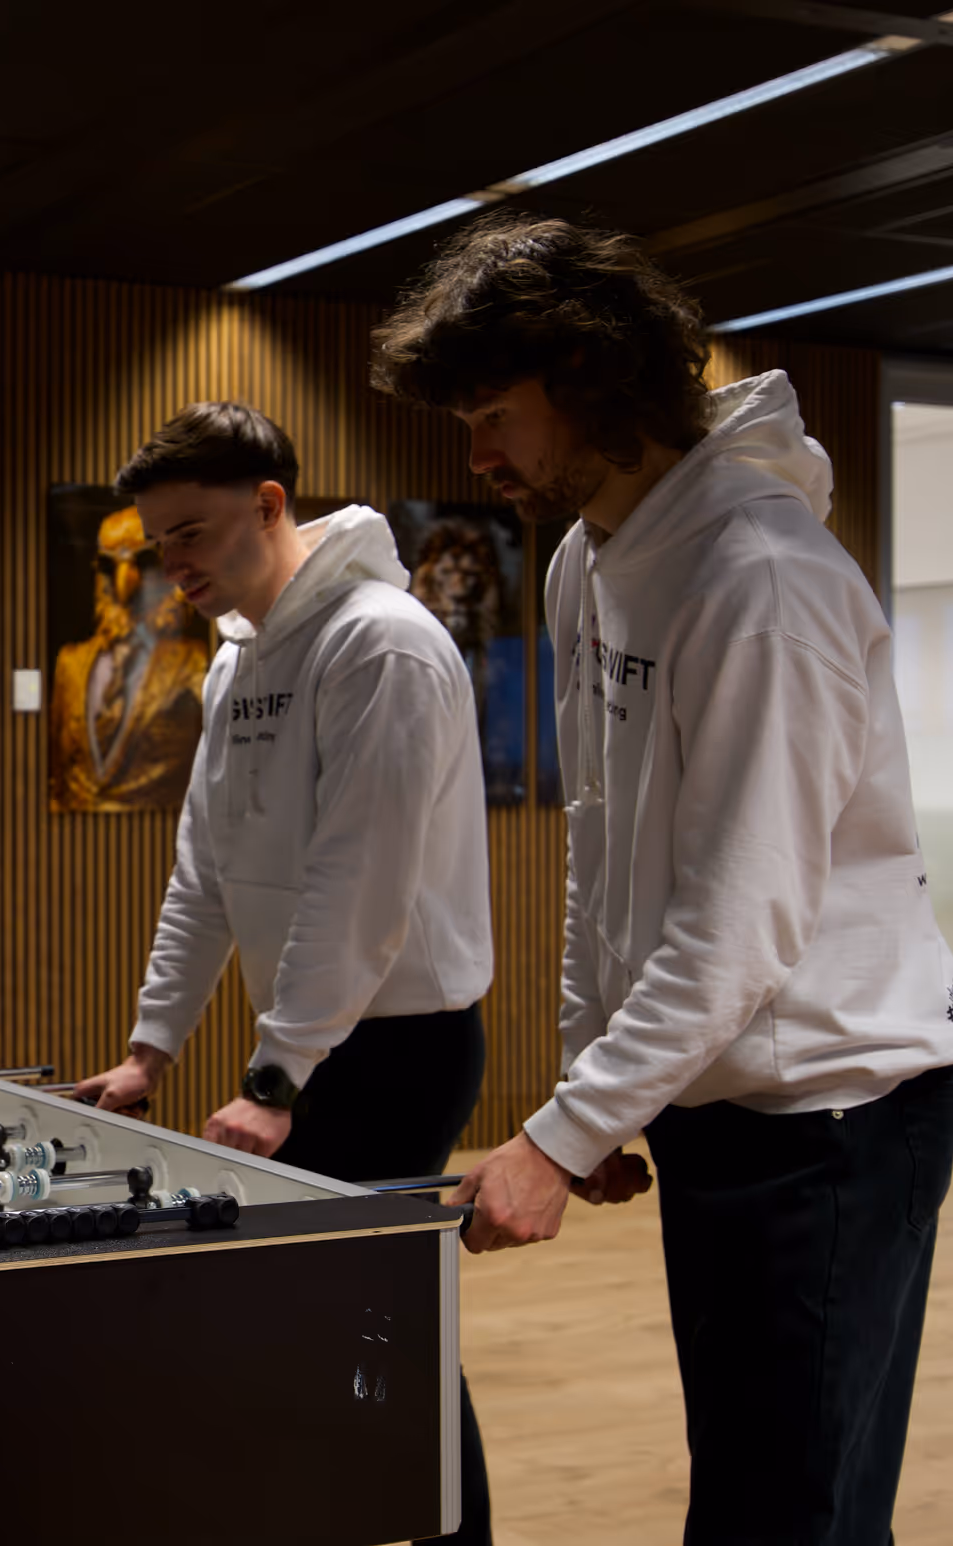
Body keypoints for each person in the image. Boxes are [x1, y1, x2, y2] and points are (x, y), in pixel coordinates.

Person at [373, 211, 953, 1544]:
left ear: (587, 376)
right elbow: (605, 832)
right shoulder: (590, 558)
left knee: (790, 1510)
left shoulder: (762, 579)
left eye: (494, 414)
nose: (478, 458)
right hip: (721, 1104)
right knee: (745, 1484)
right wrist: (597, 1087)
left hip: (835, 1117)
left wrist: (565, 1129)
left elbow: (743, 912)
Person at [73, 401, 496, 1545]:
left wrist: (274, 1079)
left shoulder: (383, 642)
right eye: (159, 539)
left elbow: (358, 884)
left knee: (380, 1323)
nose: (175, 563)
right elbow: (203, 873)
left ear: (270, 505)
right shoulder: (238, 664)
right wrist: (150, 1049)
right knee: (321, 1326)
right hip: (309, 1045)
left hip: (398, 1046)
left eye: (194, 532)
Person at [49, 504, 210, 812]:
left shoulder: (195, 664)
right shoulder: (70, 664)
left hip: (156, 833)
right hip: (68, 836)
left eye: (143, 562)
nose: (127, 582)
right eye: (112, 566)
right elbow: (58, 776)